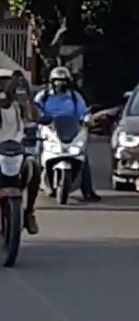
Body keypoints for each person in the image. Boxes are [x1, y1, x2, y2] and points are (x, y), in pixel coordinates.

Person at [35, 66, 100, 202]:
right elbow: (35, 108)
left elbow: (83, 111)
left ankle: (88, 191)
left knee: (82, 157)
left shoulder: (75, 97)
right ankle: (34, 185)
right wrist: (40, 117)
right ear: (51, 81)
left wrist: (87, 119)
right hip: (49, 129)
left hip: (71, 129)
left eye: (63, 81)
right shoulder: (43, 96)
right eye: (57, 80)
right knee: (37, 155)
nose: (60, 84)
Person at [0, 70, 42, 234]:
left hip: (16, 150)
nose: (5, 86)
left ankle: (29, 211)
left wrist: (28, 98)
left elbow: (33, 117)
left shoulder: (19, 106)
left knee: (34, 167)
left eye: (7, 82)